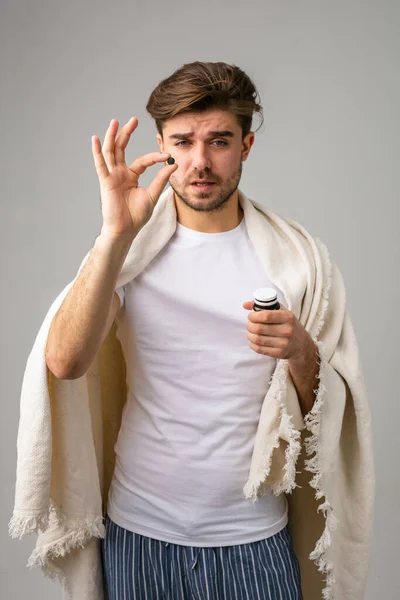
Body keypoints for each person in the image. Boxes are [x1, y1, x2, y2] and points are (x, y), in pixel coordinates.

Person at [40, 62, 373, 600]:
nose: (199, 162)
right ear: (160, 145)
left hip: (255, 539)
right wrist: (112, 236)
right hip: (140, 534)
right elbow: (65, 362)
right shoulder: (129, 254)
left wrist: (299, 350)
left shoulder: (296, 261)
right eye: (183, 141)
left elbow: (327, 412)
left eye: (219, 140)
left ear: (246, 145)